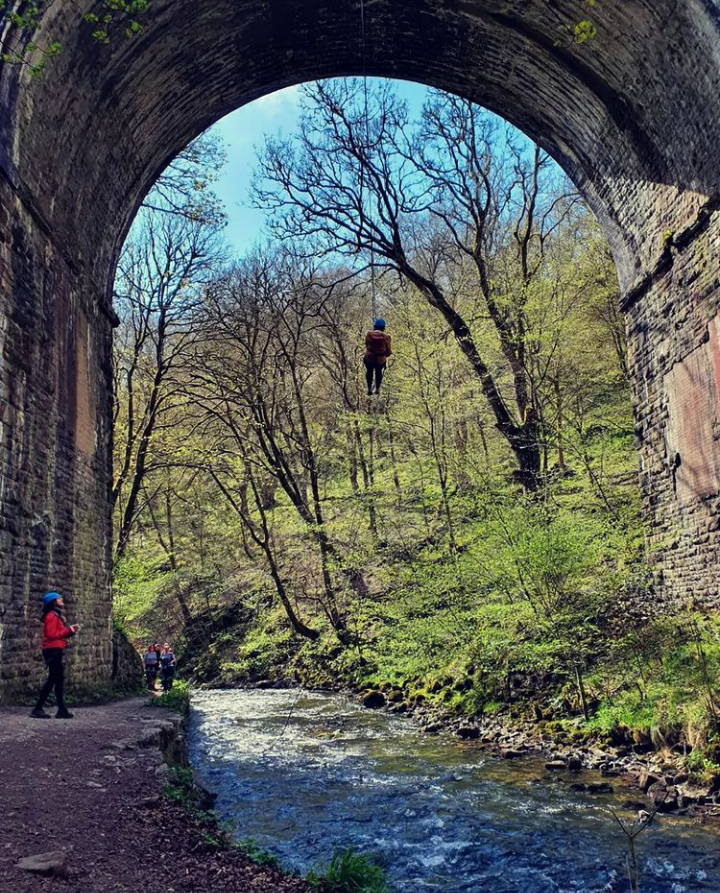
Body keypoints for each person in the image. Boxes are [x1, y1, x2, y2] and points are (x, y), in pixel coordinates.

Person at [30, 592, 80, 719]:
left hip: (54, 650)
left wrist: (70, 631)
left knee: (57, 679)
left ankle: (60, 709)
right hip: (52, 651)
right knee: (54, 679)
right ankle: (38, 709)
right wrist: (68, 630)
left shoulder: (54, 614)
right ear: (53, 601)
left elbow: (57, 633)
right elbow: (51, 634)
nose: (61, 599)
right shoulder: (52, 615)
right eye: (59, 598)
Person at [363, 318, 392, 396]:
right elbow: (388, 351)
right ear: (383, 328)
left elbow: (367, 345)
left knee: (369, 370)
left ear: (374, 327)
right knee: (378, 371)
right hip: (380, 359)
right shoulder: (387, 337)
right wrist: (385, 354)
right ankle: (377, 388)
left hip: (369, 357)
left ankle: (369, 388)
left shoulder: (369, 335)